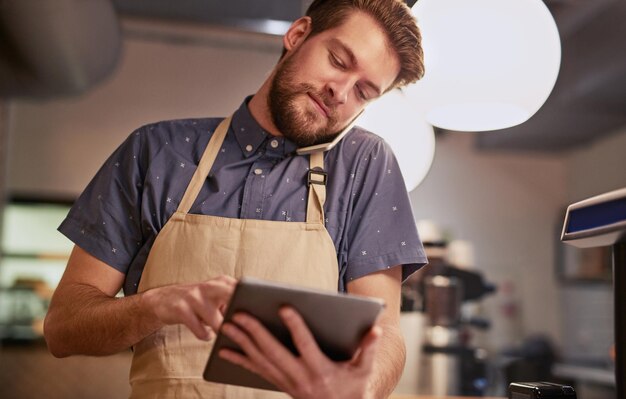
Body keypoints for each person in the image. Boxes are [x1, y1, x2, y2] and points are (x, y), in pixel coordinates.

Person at [43, 0, 428, 397]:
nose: (340, 92)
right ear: (297, 35)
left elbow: (385, 335)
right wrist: (155, 305)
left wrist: (356, 391)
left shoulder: (365, 165)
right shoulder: (154, 152)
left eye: (363, 91)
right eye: (337, 60)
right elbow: (63, 328)